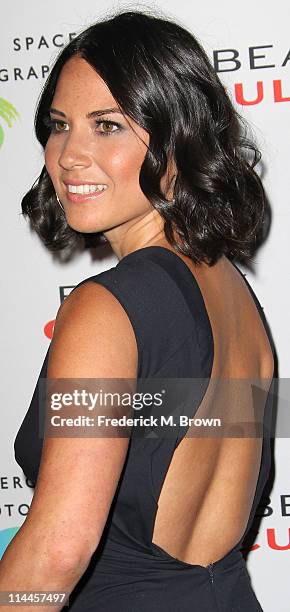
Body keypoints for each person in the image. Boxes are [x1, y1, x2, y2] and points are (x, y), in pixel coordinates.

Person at [0, 9, 275, 612]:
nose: (70, 153)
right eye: (59, 124)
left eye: (108, 126)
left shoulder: (108, 308)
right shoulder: (232, 294)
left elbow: (57, 553)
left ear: (177, 140)